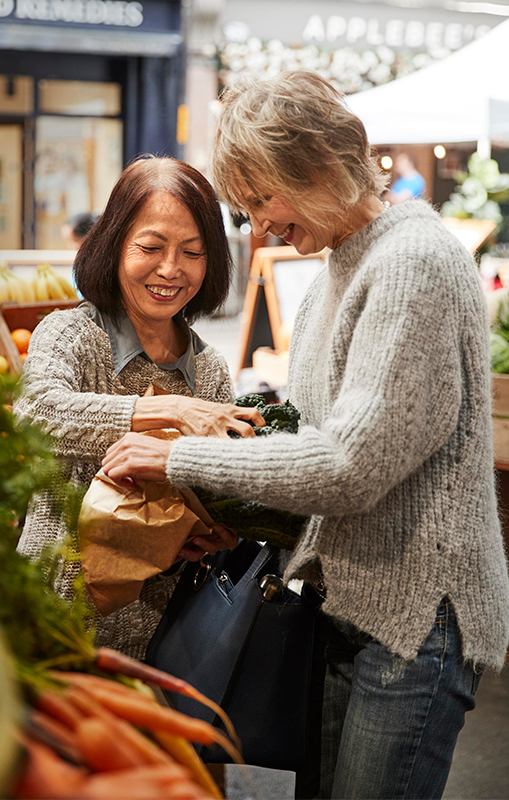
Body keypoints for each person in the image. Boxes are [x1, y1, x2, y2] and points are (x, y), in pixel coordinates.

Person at [100, 72, 509, 799]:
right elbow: (318, 448)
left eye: (262, 198)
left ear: (316, 164)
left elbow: (350, 465)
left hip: (413, 624)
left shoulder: (412, 263)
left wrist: (180, 456)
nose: (258, 226)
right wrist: (237, 525)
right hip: (348, 608)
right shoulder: (336, 271)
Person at [14, 155, 263, 660]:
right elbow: (37, 414)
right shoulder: (70, 335)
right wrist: (170, 410)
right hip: (51, 623)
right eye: (151, 247)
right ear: (113, 246)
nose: (170, 269)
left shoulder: (208, 368)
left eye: (192, 252)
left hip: (163, 638)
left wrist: (207, 533)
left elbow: (210, 498)